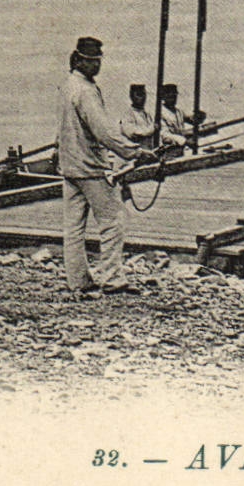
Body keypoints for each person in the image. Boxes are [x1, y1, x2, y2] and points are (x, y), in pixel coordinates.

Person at [58, 37, 156, 296]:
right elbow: (103, 131)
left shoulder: (69, 85)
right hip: (90, 168)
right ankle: (112, 279)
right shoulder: (86, 91)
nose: (97, 65)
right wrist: (135, 152)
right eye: (91, 61)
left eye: (98, 60)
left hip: (69, 166)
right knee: (113, 220)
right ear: (78, 60)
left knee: (74, 227)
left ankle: (78, 281)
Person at [119, 83, 155, 155]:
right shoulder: (128, 114)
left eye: (144, 94)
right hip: (131, 158)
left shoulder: (147, 115)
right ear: (131, 97)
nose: (142, 98)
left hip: (146, 155)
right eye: (139, 95)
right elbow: (135, 134)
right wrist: (152, 129)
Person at [157, 83, 192, 152]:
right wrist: (184, 141)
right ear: (163, 97)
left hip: (180, 149)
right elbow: (164, 135)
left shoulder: (179, 112)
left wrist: (198, 117)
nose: (173, 99)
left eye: (174, 96)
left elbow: (190, 119)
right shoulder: (160, 112)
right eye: (170, 96)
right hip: (167, 150)